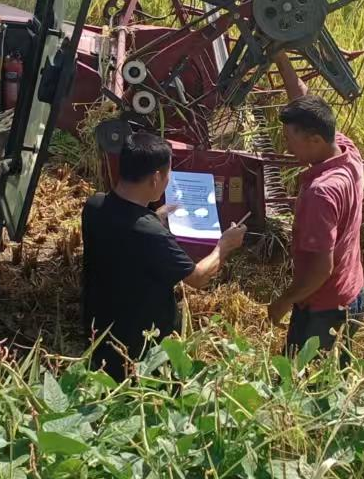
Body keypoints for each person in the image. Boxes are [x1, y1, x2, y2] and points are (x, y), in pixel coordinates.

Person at [82, 131, 246, 378]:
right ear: (156, 177)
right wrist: (224, 245)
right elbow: (198, 278)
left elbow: (124, 230)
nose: (168, 181)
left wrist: (157, 215)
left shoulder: (94, 206)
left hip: (101, 332)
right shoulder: (150, 234)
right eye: (168, 174)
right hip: (141, 348)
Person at [266, 94, 364, 364]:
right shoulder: (348, 152)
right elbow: (302, 95)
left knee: (301, 381)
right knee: (335, 376)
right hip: (353, 293)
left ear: (315, 140)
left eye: (290, 139)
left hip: (323, 309)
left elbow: (322, 268)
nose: (287, 147)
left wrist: (284, 301)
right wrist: (284, 66)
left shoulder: (321, 193)